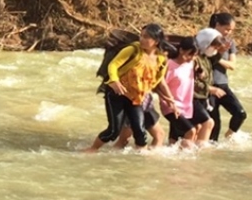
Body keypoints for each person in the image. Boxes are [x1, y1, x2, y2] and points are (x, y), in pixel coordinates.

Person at [86, 23, 179, 152]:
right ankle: (92, 149)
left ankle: (142, 160)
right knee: (113, 131)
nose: (141, 39)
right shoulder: (133, 50)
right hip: (116, 94)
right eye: (141, 36)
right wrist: (114, 80)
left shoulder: (161, 59)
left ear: (156, 41)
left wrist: (169, 99)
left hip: (137, 97)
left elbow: (155, 82)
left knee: (140, 131)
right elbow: (113, 65)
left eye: (146, 37)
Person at [161, 37, 214, 148]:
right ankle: (186, 159)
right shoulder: (169, 66)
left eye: (195, 55)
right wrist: (171, 103)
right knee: (191, 131)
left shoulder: (191, 63)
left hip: (187, 103)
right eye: (190, 55)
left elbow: (198, 69)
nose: (192, 58)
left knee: (200, 126)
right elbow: (159, 86)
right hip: (171, 106)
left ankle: (187, 153)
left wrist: (200, 73)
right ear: (181, 50)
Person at [206, 12, 248, 140]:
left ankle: (229, 136)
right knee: (214, 124)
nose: (228, 32)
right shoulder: (206, 39)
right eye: (227, 29)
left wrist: (216, 58)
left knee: (240, 113)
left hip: (223, 84)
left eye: (231, 30)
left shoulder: (230, 42)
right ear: (217, 25)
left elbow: (232, 65)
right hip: (209, 86)